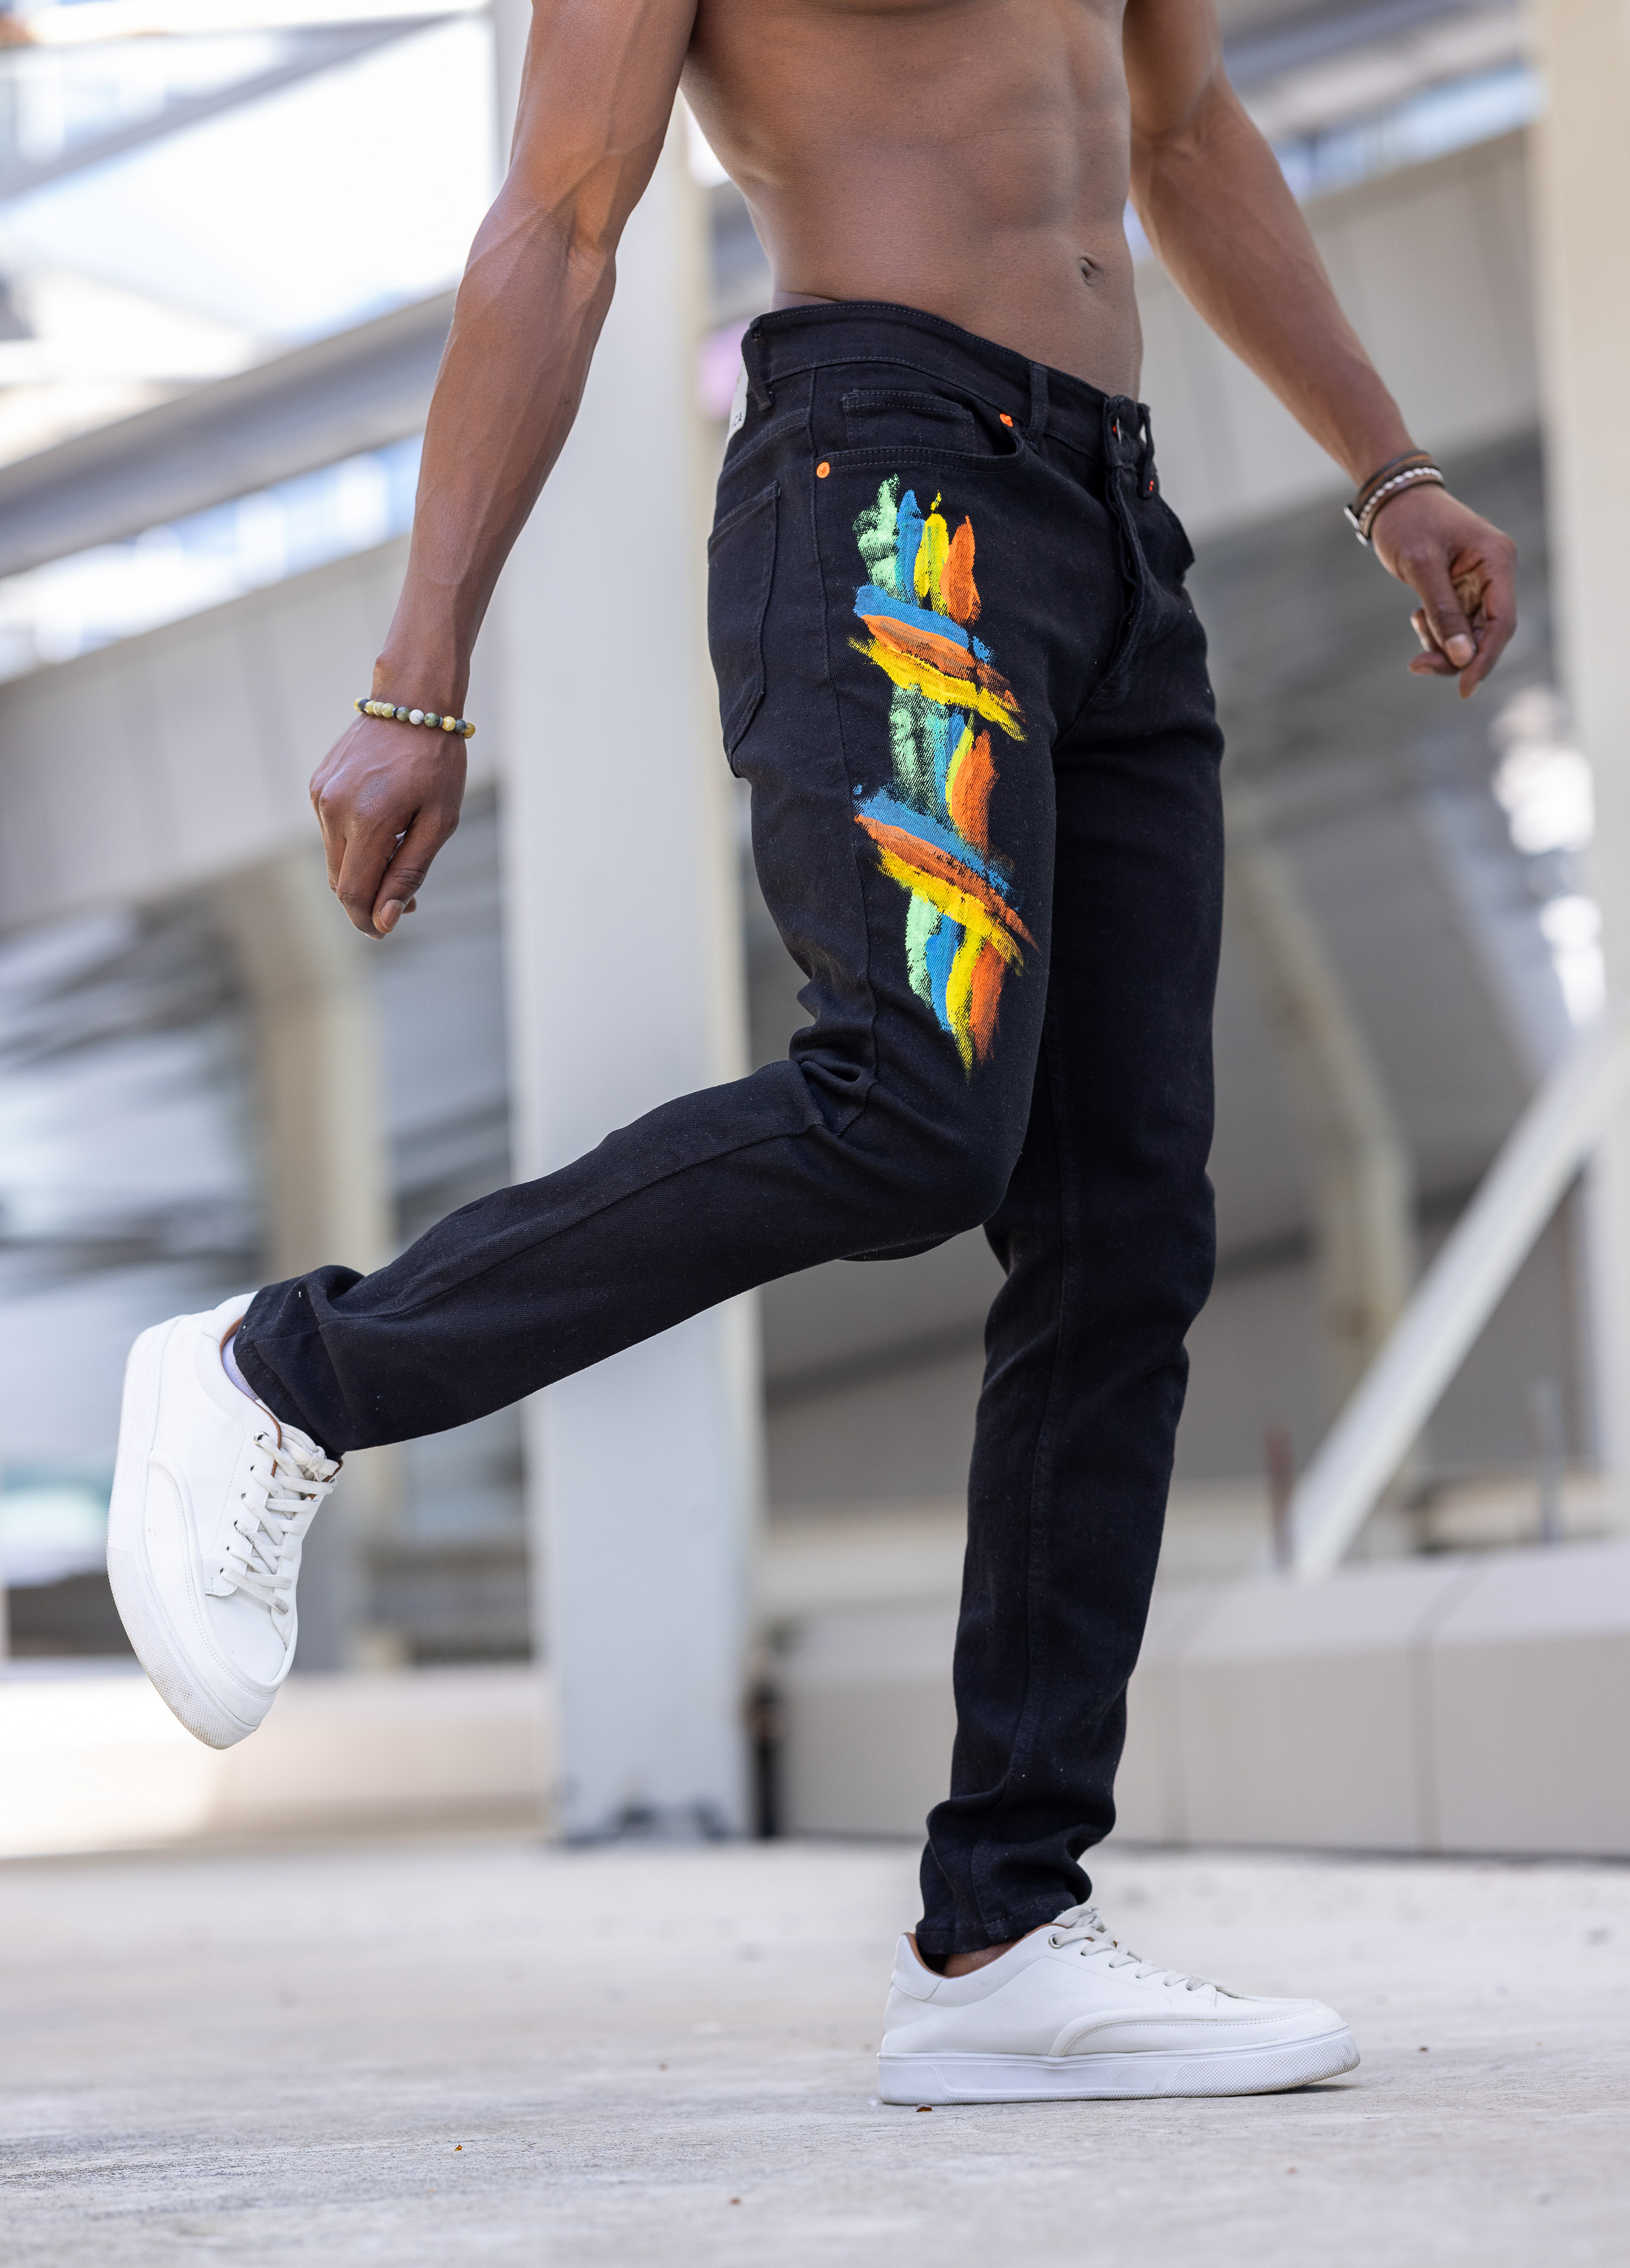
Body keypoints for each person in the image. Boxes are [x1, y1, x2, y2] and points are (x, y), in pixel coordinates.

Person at [105, 0, 1515, 2103]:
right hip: (891, 487)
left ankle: (1001, 1938)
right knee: (910, 1113)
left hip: (1115, 527)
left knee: (1124, 1229)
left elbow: (1184, 128)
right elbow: (559, 222)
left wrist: (1387, 465)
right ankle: (283, 1373)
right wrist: (416, 681)